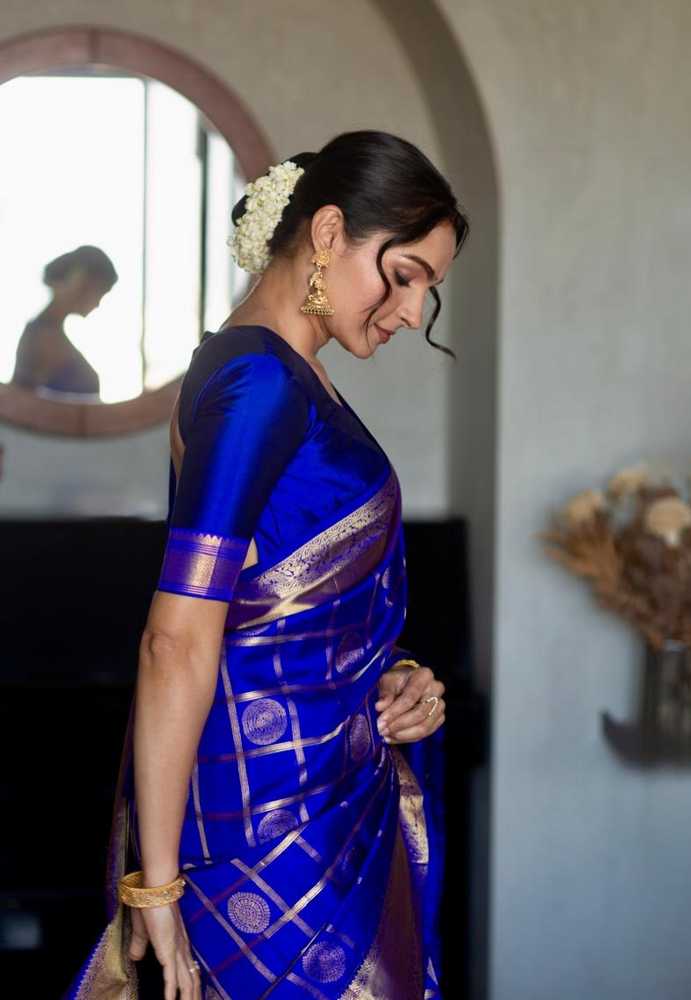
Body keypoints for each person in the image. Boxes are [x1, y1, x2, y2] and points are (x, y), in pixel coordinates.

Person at [63, 129, 469, 1000]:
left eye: (426, 292)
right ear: (328, 232)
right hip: (268, 823)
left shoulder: (287, 375)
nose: (410, 313)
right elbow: (177, 638)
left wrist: (393, 674)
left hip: (320, 795)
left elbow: (280, 609)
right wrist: (157, 888)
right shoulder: (260, 383)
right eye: (403, 276)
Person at [11, 245, 117, 398]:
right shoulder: (40, 337)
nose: (98, 303)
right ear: (81, 281)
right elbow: (20, 402)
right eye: (99, 291)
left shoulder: (46, 334)